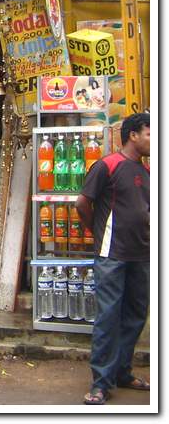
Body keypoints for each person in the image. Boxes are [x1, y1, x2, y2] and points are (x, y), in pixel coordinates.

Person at [76, 112, 150, 405]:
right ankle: (100, 384)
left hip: (141, 254)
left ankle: (122, 372)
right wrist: (98, 234)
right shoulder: (107, 165)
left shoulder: (146, 171)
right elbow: (83, 203)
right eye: (148, 133)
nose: (152, 139)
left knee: (134, 317)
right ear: (133, 135)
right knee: (108, 317)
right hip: (112, 255)